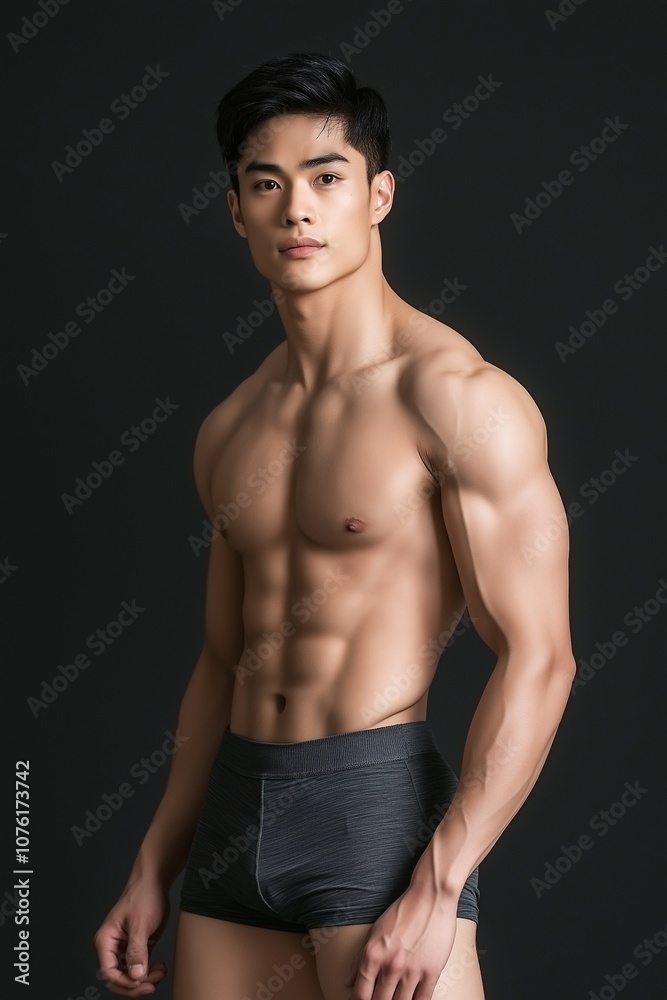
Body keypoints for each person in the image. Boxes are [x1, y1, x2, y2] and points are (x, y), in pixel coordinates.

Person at [94, 52, 576, 1000]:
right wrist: (155, 862)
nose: (296, 210)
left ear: (378, 195)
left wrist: (439, 885)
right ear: (236, 210)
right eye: (264, 185)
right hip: (233, 819)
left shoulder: (455, 398)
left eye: (326, 178)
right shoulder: (231, 427)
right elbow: (219, 660)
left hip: (376, 819)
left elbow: (540, 656)